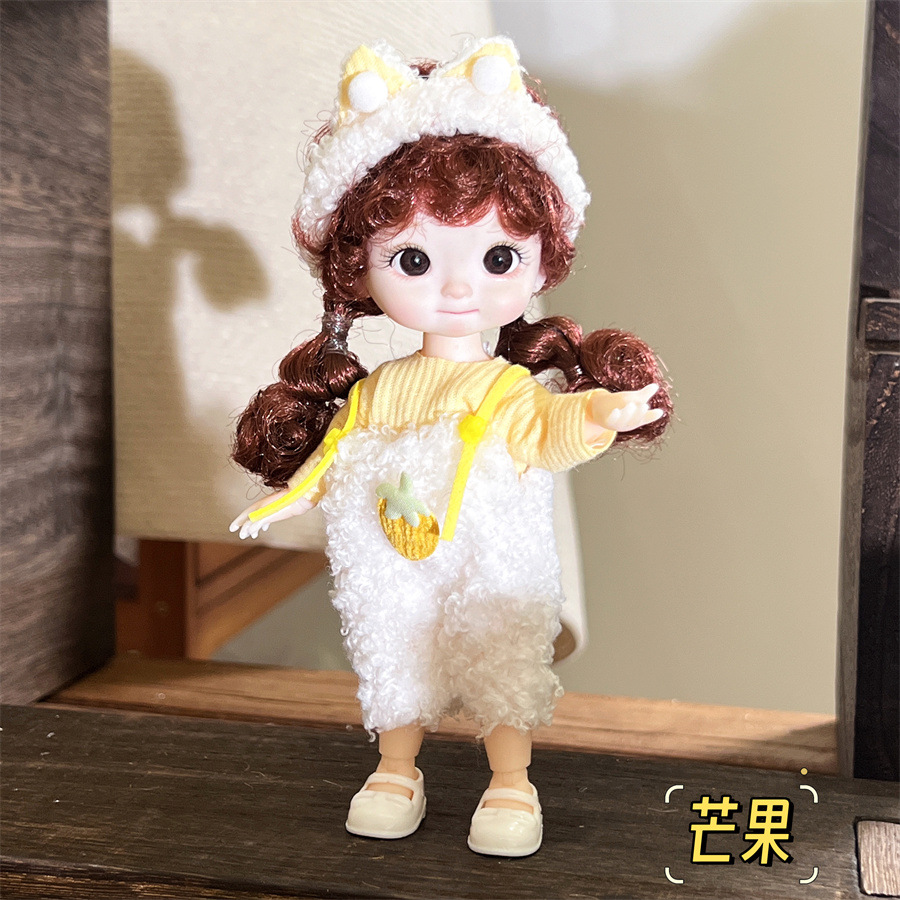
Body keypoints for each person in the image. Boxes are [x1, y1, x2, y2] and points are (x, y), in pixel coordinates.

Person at [230, 37, 671, 858]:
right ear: (360, 271)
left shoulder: (505, 388)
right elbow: (338, 453)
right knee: (393, 648)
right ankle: (396, 768)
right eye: (414, 259)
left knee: (500, 655)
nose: (459, 285)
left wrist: (599, 415)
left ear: (542, 259)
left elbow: (546, 432)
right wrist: (284, 499)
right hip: (393, 556)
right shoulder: (378, 389)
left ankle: (511, 780)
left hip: (488, 557)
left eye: (498, 257)